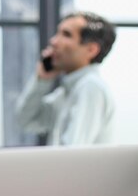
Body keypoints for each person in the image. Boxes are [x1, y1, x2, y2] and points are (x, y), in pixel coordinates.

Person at [16, 11, 116, 145]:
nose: (53, 41)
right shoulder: (66, 93)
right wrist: (42, 80)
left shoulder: (90, 87)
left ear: (91, 50)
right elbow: (26, 119)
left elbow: (71, 155)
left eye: (66, 34)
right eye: (58, 33)